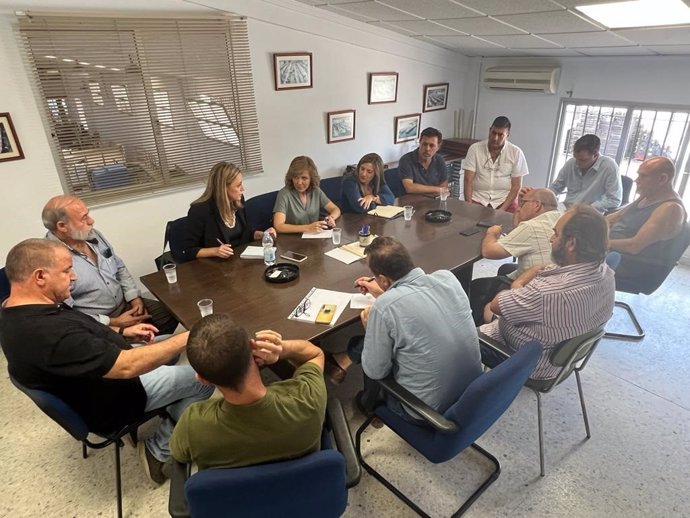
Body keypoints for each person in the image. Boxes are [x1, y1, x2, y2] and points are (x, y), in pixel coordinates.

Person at [0, 239, 213, 484]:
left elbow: (81, 332)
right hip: (114, 396)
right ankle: (157, 450)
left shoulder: (18, 309)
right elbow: (126, 366)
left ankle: (174, 409)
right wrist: (192, 335)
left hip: (96, 376)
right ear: (40, 276)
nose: (74, 277)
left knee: (168, 347)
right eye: (66, 270)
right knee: (203, 378)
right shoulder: (47, 333)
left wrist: (122, 333)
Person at [324, 236, 482, 421]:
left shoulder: (384, 308)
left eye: (375, 277)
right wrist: (387, 293)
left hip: (428, 412)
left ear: (382, 280)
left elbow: (376, 371)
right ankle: (343, 360)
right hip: (472, 394)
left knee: (378, 354)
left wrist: (372, 331)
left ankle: (369, 406)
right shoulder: (447, 278)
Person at [170, 314, 326, 470]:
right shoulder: (307, 399)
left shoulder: (192, 425)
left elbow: (179, 454)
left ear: (202, 378)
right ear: (253, 347)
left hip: (241, 494)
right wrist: (281, 349)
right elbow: (315, 354)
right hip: (303, 489)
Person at [479, 205, 615, 380]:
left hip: (522, 363)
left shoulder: (547, 293)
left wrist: (518, 283)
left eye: (556, 234)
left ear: (571, 243)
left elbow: (497, 305)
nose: (551, 239)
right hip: (562, 361)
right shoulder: (606, 273)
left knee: (484, 306)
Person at [42, 195, 179, 334]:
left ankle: (147, 345)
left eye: (87, 214)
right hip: (96, 322)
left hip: (125, 304)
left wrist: (134, 298)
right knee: (138, 348)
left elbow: (119, 266)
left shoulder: (93, 235)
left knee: (171, 315)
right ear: (62, 226)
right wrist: (112, 322)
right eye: (83, 218)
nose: (91, 221)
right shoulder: (51, 259)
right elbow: (68, 313)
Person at [469, 188, 561, 325]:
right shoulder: (560, 219)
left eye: (523, 203)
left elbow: (489, 252)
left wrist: (491, 233)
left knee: (477, 285)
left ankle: (478, 328)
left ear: (537, 205)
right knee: (505, 267)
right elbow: (519, 227)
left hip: (534, 286)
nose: (519, 208)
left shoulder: (531, 227)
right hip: (554, 281)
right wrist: (520, 204)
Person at [607, 156, 687, 287]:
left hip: (632, 264)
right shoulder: (647, 197)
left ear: (662, 179)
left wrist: (600, 242)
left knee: (570, 256)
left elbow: (633, 247)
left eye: (643, 176)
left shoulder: (670, 209)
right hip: (614, 253)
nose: (637, 180)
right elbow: (615, 217)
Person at [182, 162, 276, 261]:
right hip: (214, 266)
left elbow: (245, 234)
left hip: (238, 261)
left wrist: (262, 235)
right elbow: (188, 250)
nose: (242, 189)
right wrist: (215, 251)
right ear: (224, 188)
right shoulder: (200, 210)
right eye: (238, 185)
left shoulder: (238, 200)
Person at [464, 116, 529, 212]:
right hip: (478, 198)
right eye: (493, 133)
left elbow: (516, 186)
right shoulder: (475, 149)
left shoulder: (516, 152)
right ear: (489, 130)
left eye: (500, 135)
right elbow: (467, 180)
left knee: (513, 223)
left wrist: (502, 210)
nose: (495, 138)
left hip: (505, 201)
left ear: (507, 135)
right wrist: (469, 205)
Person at [550, 134, 622, 212]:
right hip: (566, 208)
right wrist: (544, 196)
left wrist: (587, 208)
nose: (577, 163)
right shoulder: (571, 163)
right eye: (576, 157)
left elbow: (614, 200)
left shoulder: (609, 166)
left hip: (589, 214)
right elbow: (556, 187)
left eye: (583, 160)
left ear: (595, 155)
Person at [273, 156, 341, 234]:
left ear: (311, 178)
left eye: (304, 178)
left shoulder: (316, 191)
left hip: (313, 237)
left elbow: (335, 209)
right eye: (295, 177)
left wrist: (331, 218)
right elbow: (278, 226)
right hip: (293, 240)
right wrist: (307, 228)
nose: (299, 182)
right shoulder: (284, 194)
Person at [398, 127, 448, 195]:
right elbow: (409, 187)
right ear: (420, 142)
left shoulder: (440, 160)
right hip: (411, 202)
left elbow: (444, 188)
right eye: (424, 144)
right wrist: (437, 189)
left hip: (433, 201)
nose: (427, 149)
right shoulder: (406, 160)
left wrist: (440, 190)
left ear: (438, 147)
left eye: (431, 145)